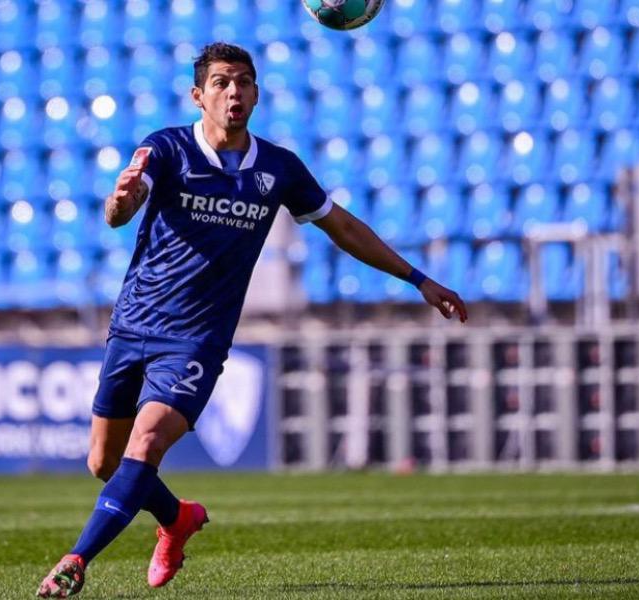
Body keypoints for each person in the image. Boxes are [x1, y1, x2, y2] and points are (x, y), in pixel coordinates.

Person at [36, 42, 468, 598]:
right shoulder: (166, 147)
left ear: (257, 93)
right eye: (220, 82)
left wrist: (419, 279)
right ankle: (178, 518)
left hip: (196, 339)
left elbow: (343, 228)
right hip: (132, 324)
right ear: (199, 95)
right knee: (104, 462)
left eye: (243, 81)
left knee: (145, 445)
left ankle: (76, 560)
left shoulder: (279, 168)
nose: (233, 91)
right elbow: (123, 207)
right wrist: (121, 199)